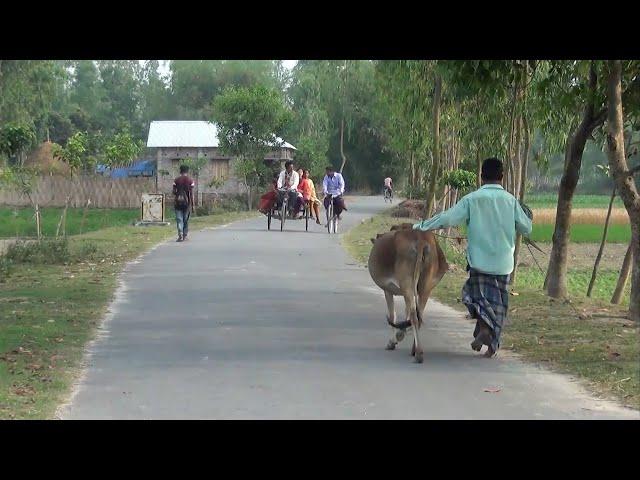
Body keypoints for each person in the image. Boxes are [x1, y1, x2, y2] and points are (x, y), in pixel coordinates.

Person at [413, 158, 533, 358]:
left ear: (481, 176)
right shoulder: (511, 201)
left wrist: (420, 226)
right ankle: (491, 344)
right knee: (498, 304)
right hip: (504, 264)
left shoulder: (472, 199)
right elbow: (527, 228)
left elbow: (447, 218)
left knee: (477, 298)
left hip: (479, 262)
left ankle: (484, 329)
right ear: (502, 177)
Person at [173, 164, 195, 242]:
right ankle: (185, 236)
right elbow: (191, 194)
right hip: (187, 203)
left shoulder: (176, 180)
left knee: (179, 219)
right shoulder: (190, 180)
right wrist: (193, 205)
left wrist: (178, 194)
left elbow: (173, 192)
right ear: (187, 171)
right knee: (185, 220)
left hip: (177, 203)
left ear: (180, 171)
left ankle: (180, 235)